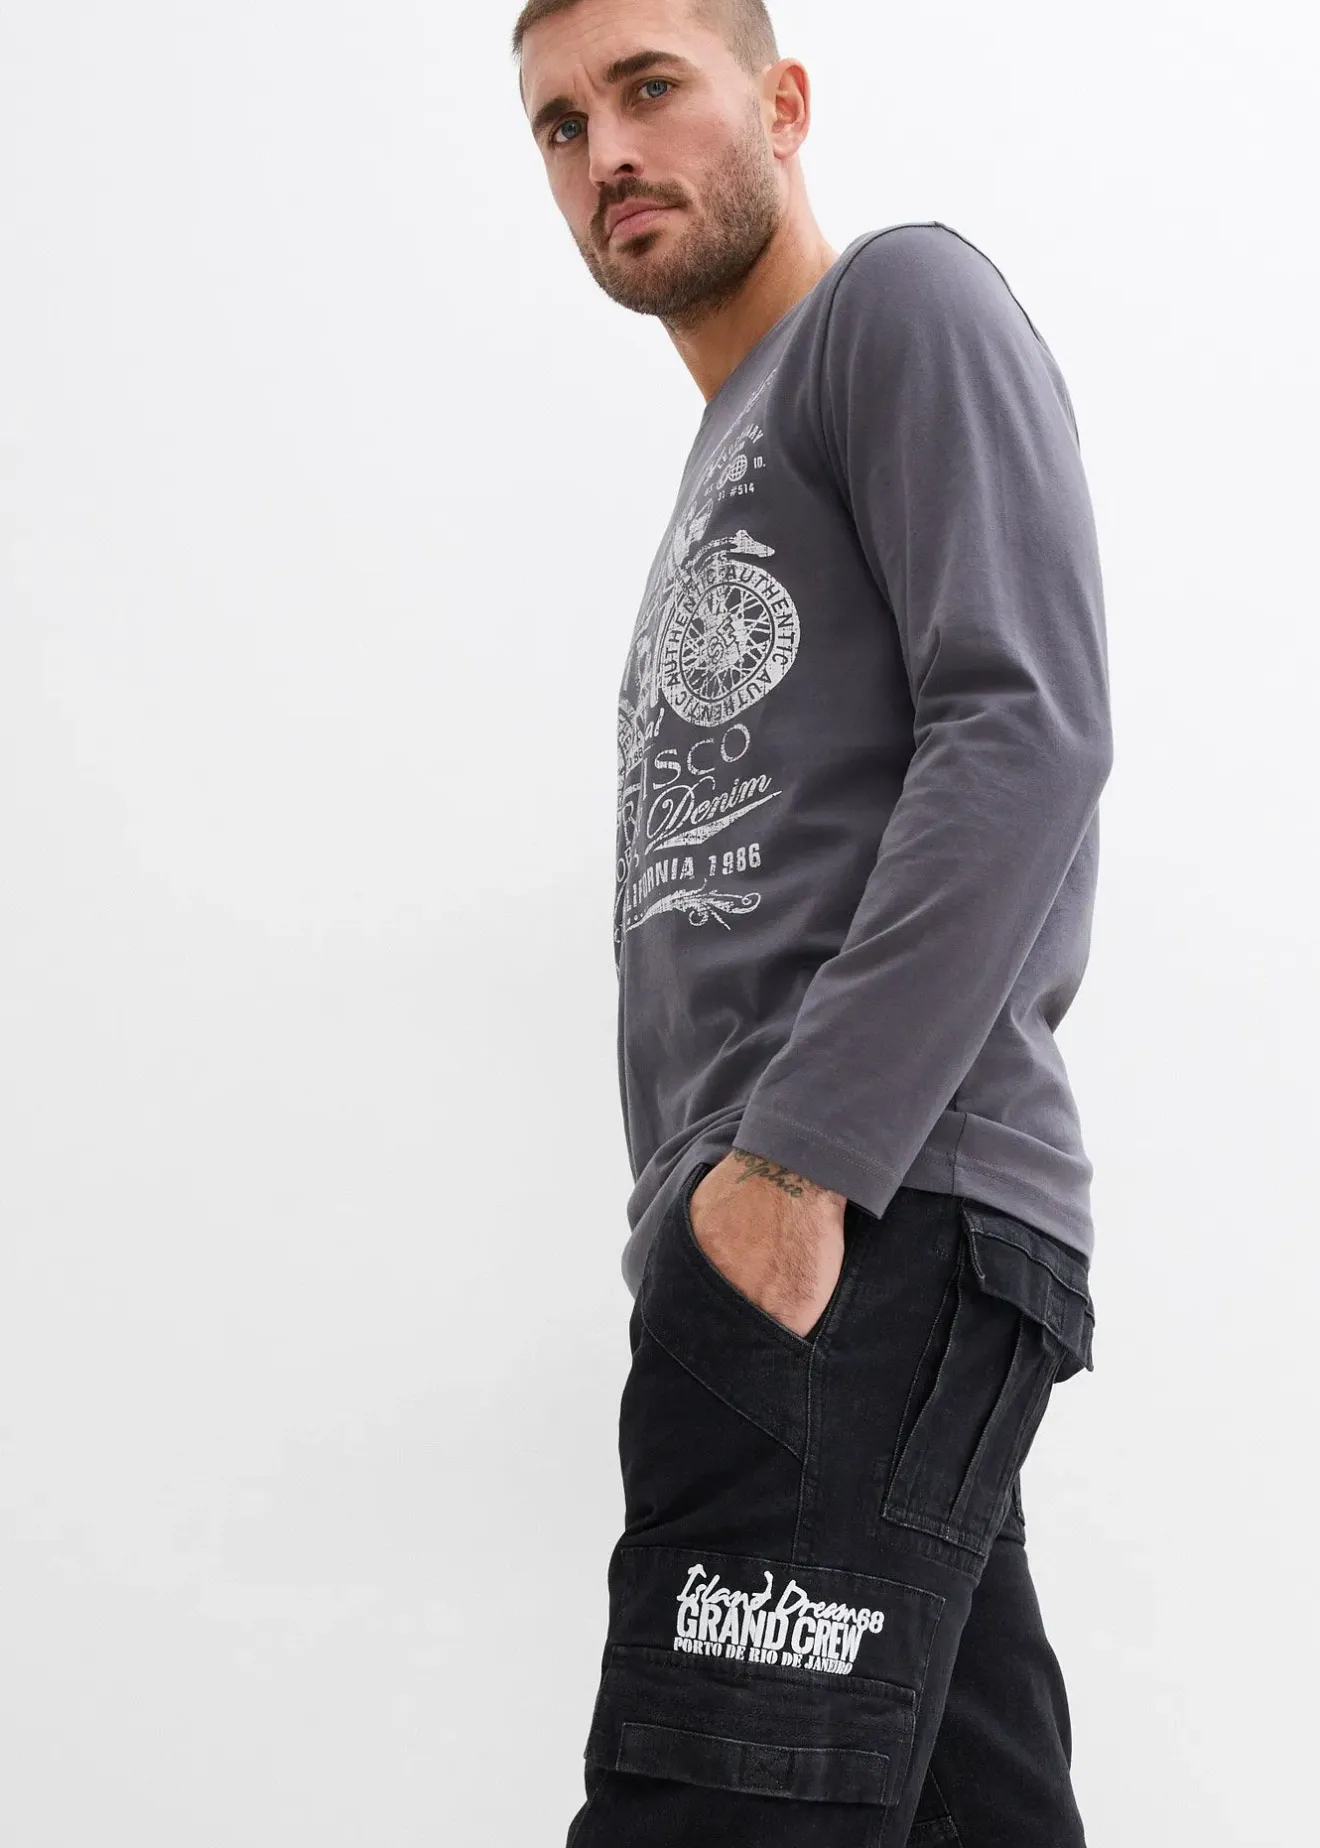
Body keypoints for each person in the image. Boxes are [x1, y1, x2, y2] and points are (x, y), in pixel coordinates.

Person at [513, 2, 1113, 1841]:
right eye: (558, 126)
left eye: (649, 88)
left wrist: (789, 1178)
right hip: (811, 1246)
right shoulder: (728, 454)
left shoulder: (897, 309)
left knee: (704, 1811)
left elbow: (1025, 728)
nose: (607, 152)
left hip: (855, 1219)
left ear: (780, 101)